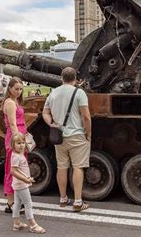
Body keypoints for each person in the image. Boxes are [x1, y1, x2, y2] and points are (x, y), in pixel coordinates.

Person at [42, 67, 92, 212]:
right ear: (75, 78)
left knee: (62, 167)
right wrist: (88, 133)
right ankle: (77, 201)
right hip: (76, 134)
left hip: (59, 136)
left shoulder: (53, 93)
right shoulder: (79, 93)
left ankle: (63, 198)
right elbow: (86, 116)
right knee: (78, 167)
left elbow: (45, 112)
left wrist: (51, 124)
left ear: (61, 78)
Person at [10, 133, 46, 234]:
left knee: (17, 203)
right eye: (18, 143)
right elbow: (13, 171)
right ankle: (33, 225)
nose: (21, 145)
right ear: (13, 145)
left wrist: (26, 177)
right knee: (28, 204)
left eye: (22, 142)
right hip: (21, 185)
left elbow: (19, 170)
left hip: (18, 184)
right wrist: (25, 179)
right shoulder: (16, 157)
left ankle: (16, 223)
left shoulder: (18, 154)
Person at [2, 77, 27, 213]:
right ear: (10, 89)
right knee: (13, 169)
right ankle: (11, 202)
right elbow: (12, 124)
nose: (19, 91)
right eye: (16, 89)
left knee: (18, 168)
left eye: (20, 89)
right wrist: (18, 140)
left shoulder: (14, 101)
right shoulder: (10, 102)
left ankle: (14, 201)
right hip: (15, 137)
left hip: (19, 136)